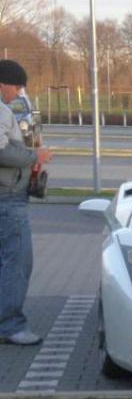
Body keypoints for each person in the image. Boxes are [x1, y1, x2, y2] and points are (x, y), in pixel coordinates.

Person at [0, 59, 53, 345]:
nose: (19, 92)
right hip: (7, 198)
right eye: (17, 86)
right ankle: (10, 326)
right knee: (17, 263)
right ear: (3, 84)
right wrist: (35, 157)